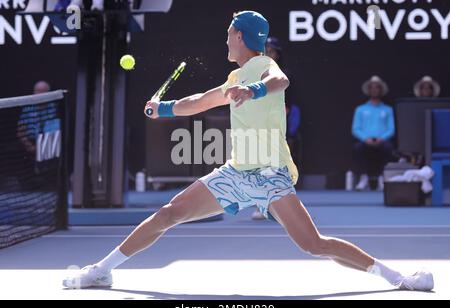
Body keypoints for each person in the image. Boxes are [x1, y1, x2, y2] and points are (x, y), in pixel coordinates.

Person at [63, 11, 433, 291]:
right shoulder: (235, 76)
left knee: (314, 244)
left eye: (228, 36)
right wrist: (162, 109)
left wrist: (253, 91)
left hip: (271, 175)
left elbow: (279, 80)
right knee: (168, 213)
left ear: (240, 36)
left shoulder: (261, 65)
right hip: (236, 174)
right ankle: (101, 270)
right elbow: (200, 101)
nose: (226, 42)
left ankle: (400, 278)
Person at [252, 36, 301, 220]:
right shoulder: (255, 72)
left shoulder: (282, 74)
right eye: (265, 49)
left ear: (277, 53)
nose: (267, 52)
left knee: (273, 167)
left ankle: (275, 206)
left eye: (271, 50)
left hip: (275, 127)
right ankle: (265, 204)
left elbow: (288, 106)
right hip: (259, 126)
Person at [352, 76, 395, 191]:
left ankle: (383, 178)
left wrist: (381, 138)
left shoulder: (388, 109)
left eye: (377, 88)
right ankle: (363, 178)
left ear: (381, 90)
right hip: (365, 141)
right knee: (358, 148)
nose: (375, 90)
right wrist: (366, 139)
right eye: (372, 88)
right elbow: (355, 128)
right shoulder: (360, 109)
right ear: (369, 90)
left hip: (382, 141)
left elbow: (391, 129)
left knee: (389, 148)